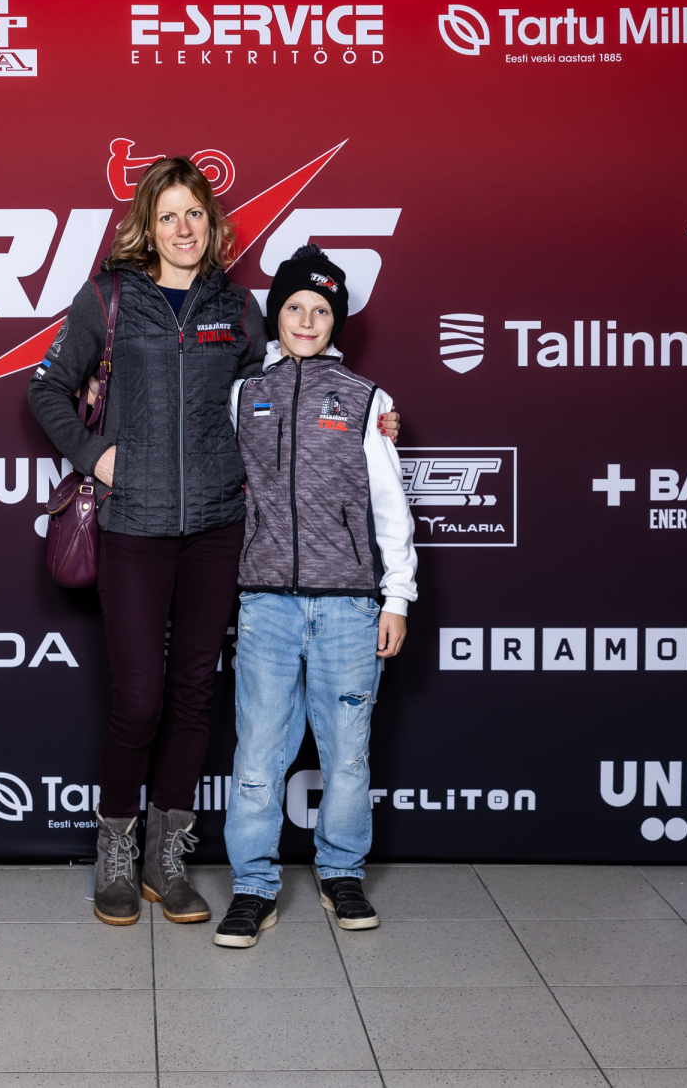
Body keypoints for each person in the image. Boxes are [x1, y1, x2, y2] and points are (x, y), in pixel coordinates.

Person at [28, 157, 262, 926]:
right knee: (139, 701)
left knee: (194, 696)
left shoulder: (239, 308)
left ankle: (167, 859)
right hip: (132, 523)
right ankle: (116, 854)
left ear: (212, 223)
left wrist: (369, 419)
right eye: (168, 216)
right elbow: (46, 387)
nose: (182, 229)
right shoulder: (110, 297)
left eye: (194, 214)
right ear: (147, 227)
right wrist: (96, 456)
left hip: (217, 528)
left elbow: (270, 401)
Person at [212, 244, 417, 948]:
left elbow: (390, 506)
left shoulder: (366, 399)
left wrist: (397, 598)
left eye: (320, 310)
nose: (306, 320)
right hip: (266, 604)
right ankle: (252, 887)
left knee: (348, 756)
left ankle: (342, 874)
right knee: (257, 755)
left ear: (336, 321)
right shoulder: (244, 392)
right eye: (294, 306)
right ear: (276, 314)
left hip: (350, 608)